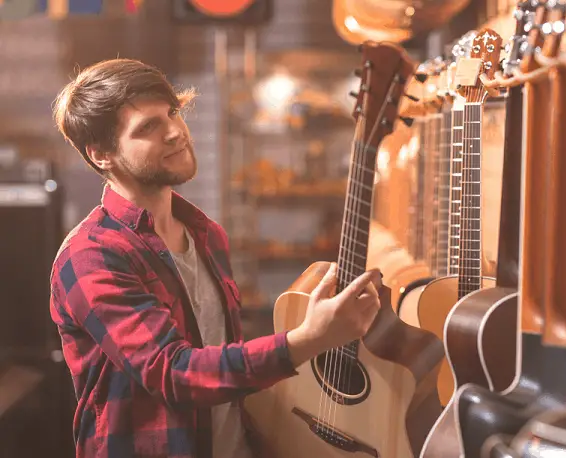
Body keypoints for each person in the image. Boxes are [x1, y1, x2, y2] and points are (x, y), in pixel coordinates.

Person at [49, 58, 382, 458]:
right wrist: (309, 339)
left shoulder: (205, 233)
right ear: (102, 154)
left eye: (171, 113)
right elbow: (174, 373)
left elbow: (221, 360)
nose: (175, 131)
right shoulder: (91, 255)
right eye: (148, 127)